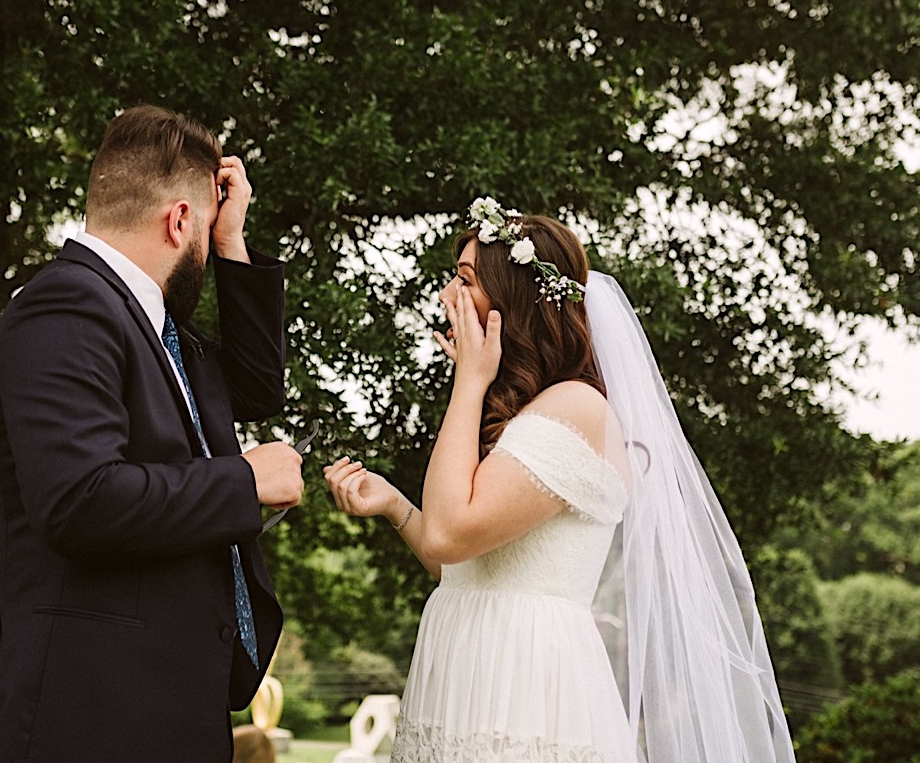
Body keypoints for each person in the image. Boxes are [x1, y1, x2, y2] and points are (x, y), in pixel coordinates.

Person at [325, 198, 796, 762]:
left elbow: (452, 533)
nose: (448, 295)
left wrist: (469, 382)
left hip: (524, 682)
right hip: (464, 666)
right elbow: (461, 561)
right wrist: (396, 505)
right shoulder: (523, 413)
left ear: (512, 301)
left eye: (466, 279)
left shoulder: (576, 407)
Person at [0, 105, 304, 762]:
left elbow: (258, 389)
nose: (206, 243)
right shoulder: (64, 304)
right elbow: (79, 499)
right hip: (87, 716)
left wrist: (231, 241)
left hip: (159, 711)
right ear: (180, 221)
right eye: (206, 228)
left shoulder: (164, 333)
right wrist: (245, 479)